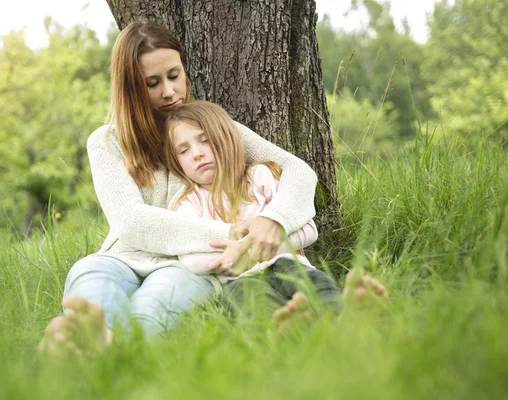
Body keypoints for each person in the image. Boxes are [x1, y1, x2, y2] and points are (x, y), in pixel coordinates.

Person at [39, 20, 323, 356]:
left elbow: (297, 169)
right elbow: (130, 221)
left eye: (174, 75)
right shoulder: (107, 142)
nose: (170, 91)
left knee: (156, 298)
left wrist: (273, 220)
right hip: (124, 256)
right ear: (130, 88)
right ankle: (82, 339)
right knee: (89, 270)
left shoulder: (208, 129)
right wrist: (233, 233)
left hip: (188, 265)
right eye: (152, 83)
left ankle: (113, 354)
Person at [164, 101, 389, 327]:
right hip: (239, 279)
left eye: (205, 141)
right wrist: (235, 261)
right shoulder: (189, 203)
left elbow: (309, 230)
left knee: (316, 286)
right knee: (255, 304)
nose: (197, 154)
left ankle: (347, 316)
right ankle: (282, 329)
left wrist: (251, 248)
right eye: (184, 150)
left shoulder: (260, 177)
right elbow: (190, 259)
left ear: (228, 138)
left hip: (288, 262)